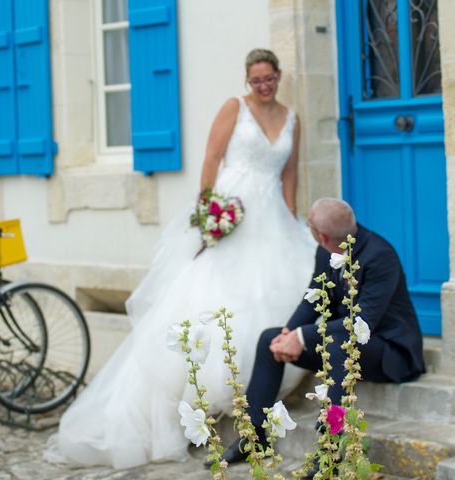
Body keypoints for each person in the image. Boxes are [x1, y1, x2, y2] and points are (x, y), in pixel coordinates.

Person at [44, 48, 317, 469]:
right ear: (247, 80)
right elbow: (211, 159)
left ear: (279, 76)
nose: (264, 86)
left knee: (276, 291)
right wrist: (208, 214)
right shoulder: (234, 108)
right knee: (215, 298)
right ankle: (200, 402)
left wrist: (293, 215)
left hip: (273, 220)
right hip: (233, 213)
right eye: (256, 80)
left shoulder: (291, 118)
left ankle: (253, 386)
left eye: (270, 79)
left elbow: (289, 172)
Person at [212, 198, 425, 477]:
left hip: (389, 351)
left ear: (320, 234)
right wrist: (289, 333)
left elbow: (361, 322)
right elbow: (312, 298)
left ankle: (330, 449)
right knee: (269, 339)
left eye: (310, 225)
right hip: (343, 345)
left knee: (337, 346)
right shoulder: (326, 251)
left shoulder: (380, 255)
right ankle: (254, 437)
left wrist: (301, 336)